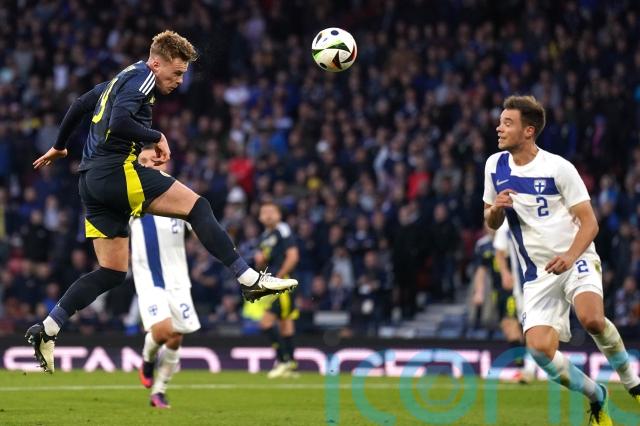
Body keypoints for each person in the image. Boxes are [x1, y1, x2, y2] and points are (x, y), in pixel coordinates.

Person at [25, 30, 297, 374]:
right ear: (156, 63)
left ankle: (48, 328)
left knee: (111, 272)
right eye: (176, 72)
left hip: (90, 182)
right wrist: (157, 136)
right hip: (115, 173)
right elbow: (119, 122)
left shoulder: (120, 78)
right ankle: (248, 279)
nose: (179, 81)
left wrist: (60, 145)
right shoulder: (143, 78)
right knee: (198, 207)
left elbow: (80, 103)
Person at [483, 95, 640, 426]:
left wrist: (570, 256)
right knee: (540, 349)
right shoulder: (494, 166)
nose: (499, 128)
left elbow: (590, 223)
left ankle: (632, 381)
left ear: (528, 131)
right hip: (537, 274)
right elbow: (491, 221)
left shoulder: (558, 168)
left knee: (592, 319)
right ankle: (597, 395)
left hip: (575, 255)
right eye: (500, 122)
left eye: (507, 123)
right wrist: (496, 209)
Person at [131, 145, 199, 408]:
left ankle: (159, 391)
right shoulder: (130, 195)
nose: (148, 165)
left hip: (178, 279)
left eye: (153, 161)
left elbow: (199, 226)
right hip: (149, 278)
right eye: (143, 161)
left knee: (176, 336)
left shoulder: (180, 195)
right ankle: (148, 360)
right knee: (164, 330)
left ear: (164, 164)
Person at [254, 202, 300, 378]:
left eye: (271, 211)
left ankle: (283, 360)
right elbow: (264, 264)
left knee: (266, 322)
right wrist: (261, 262)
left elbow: (293, 256)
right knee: (285, 323)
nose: (268, 215)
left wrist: (279, 277)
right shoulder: (264, 236)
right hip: (273, 284)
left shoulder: (283, 230)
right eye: (264, 212)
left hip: (282, 283)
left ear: (279, 215)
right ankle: (292, 365)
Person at [493, 221, 536, 383]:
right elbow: (499, 251)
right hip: (521, 286)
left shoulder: (538, 214)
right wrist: (505, 273)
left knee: (536, 326)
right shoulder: (506, 225)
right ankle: (527, 369)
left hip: (545, 280)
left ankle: (529, 369)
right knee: (527, 327)